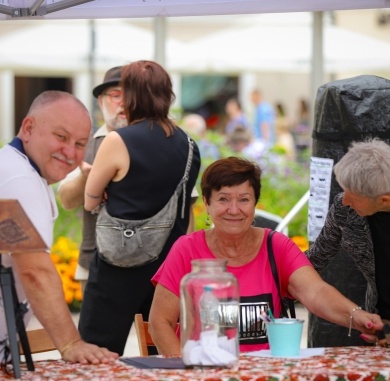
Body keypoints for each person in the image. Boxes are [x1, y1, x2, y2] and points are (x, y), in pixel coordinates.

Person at [148, 156, 383, 355]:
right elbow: (160, 323)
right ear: (207, 204)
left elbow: (316, 292)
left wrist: (357, 315)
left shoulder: (275, 245)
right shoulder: (187, 249)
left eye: (243, 199)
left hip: (266, 378)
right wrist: (188, 375)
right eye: (223, 199)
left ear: (254, 204)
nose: (233, 209)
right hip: (205, 374)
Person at [78, 60, 201, 355]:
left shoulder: (117, 140)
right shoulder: (189, 144)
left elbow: (89, 200)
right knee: (164, 354)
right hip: (169, 267)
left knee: (97, 353)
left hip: (117, 266)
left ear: (131, 96)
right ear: (167, 95)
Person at [0, 90, 119, 364]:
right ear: (28, 128)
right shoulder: (18, 179)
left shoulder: (18, 170)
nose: (70, 152)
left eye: (79, 143)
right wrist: (70, 343)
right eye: (61, 137)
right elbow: (34, 271)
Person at [306, 138, 390, 345]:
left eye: (352, 195)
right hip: (381, 326)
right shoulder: (344, 210)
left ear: (384, 200)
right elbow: (315, 258)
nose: (344, 200)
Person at [57, 66, 127, 294]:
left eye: (132, 95)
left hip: (151, 266)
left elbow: (184, 206)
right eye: (116, 95)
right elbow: (66, 200)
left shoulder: (158, 142)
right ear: (100, 101)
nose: (124, 103)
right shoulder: (85, 144)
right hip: (94, 264)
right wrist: (87, 178)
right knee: (95, 331)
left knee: (150, 331)